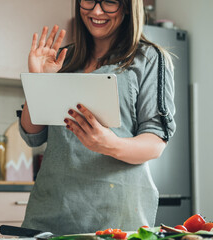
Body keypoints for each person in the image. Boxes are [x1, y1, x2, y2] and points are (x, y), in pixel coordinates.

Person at [19, 0, 176, 235]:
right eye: (89, 0)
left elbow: (155, 143)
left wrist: (109, 144)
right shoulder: (64, 57)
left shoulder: (149, 58)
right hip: (49, 211)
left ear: (126, 7)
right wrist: (38, 81)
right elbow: (33, 135)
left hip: (115, 215)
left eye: (110, 2)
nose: (96, 11)